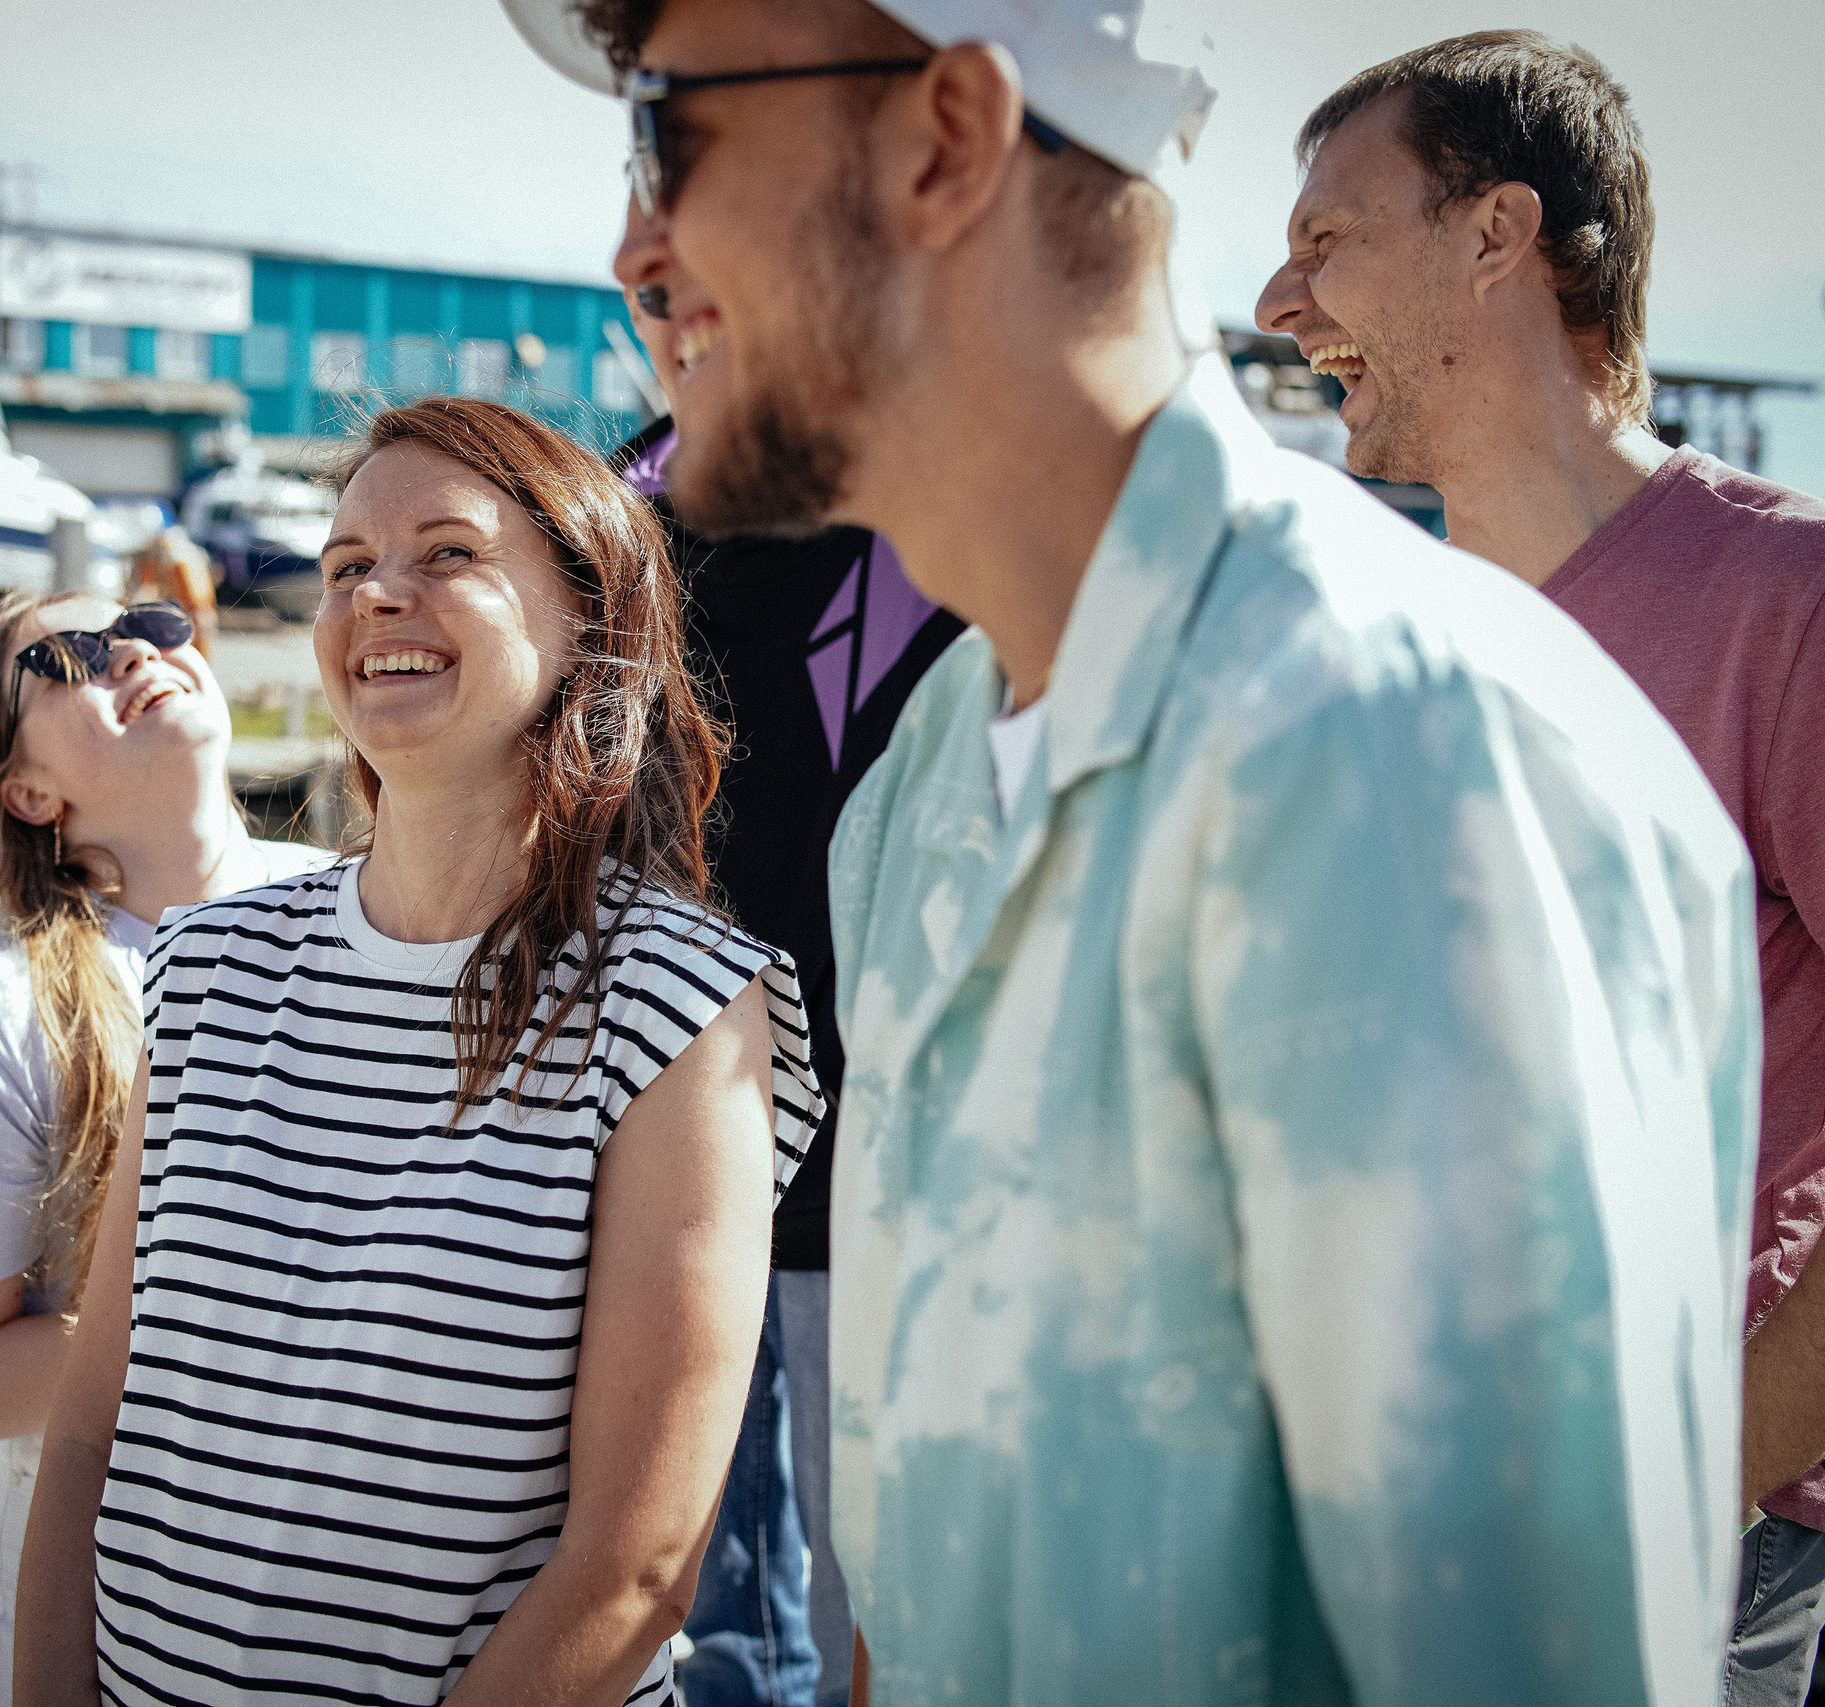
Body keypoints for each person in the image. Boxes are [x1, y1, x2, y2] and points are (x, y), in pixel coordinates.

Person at [513, 1, 1762, 1700]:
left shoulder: (1391, 751)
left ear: (951, 137)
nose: (632, 249)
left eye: (671, 130)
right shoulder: (934, 780)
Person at [1255, 34, 1825, 1703]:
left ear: (1496, 234)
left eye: (1327, 239)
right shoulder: (1380, 631)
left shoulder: (1816, 602)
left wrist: (1695, 1470)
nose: (1283, 302)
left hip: (1650, 1552)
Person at [13, 397, 825, 1706]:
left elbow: (634, 1566)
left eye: (448, 552)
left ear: (590, 620)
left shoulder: (677, 1002)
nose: (378, 591)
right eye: (345, 566)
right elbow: (95, 1414)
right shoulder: (208, 964)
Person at [613, 223, 962, 1707]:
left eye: (697, 281)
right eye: (641, 296)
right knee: (697, 1605)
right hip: (662, 1153)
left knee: (881, 1595)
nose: (672, 315)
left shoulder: (923, 496)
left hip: (882, 1173)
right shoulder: (618, 500)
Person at [0, 591, 327, 1707]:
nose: (128, 648)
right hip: (108, 1633)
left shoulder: (358, 916)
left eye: (150, 621)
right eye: (63, 657)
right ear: (29, 794)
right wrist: (260, 1333)